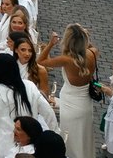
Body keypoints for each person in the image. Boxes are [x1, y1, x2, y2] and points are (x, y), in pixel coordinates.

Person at [0, 54, 57, 158]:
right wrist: (55, 136)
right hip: (30, 147)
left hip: (4, 147)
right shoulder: (29, 86)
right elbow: (48, 113)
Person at [38, 24, 97, 158]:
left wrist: (51, 44)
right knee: (84, 138)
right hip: (86, 105)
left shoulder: (66, 59)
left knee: (69, 141)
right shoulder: (93, 53)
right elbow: (90, 46)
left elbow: (40, 61)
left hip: (70, 106)